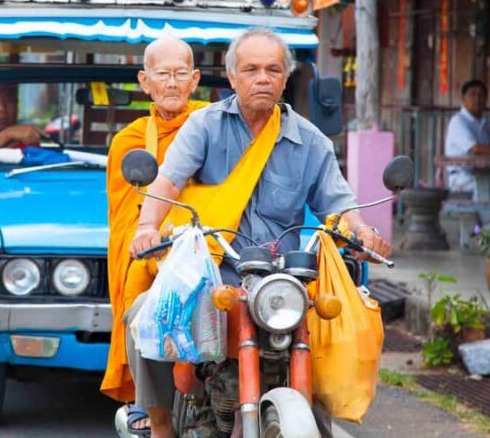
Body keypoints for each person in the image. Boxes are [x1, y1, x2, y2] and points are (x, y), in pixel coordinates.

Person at [126, 28, 390, 438]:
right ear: (232, 77)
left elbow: (340, 205)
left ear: (286, 77)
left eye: (272, 69)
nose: (262, 78)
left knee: (347, 322)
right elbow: (168, 182)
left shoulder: (311, 142)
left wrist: (363, 232)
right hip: (213, 277)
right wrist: (146, 227)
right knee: (143, 313)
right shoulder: (204, 127)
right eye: (251, 69)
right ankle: (160, 426)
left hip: (285, 283)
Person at [100, 36, 205, 433]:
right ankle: (151, 407)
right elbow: (127, 217)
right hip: (159, 247)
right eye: (164, 75)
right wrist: (151, 235)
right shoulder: (129, 141)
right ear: (145, 82)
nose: (173, 83)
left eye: (181, 74)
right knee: (140, 285)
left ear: (195, 79)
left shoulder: (212, 123)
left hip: (207, 238)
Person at [444, 79, 490, 194]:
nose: (477, 99)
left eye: (481, 95)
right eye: (472, 95)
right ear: (463, 99)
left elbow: (488, 150)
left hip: (481, 175)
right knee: (488, 189)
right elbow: (475, 148)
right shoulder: (458, 121)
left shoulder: (485, 123)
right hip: (461, 177)